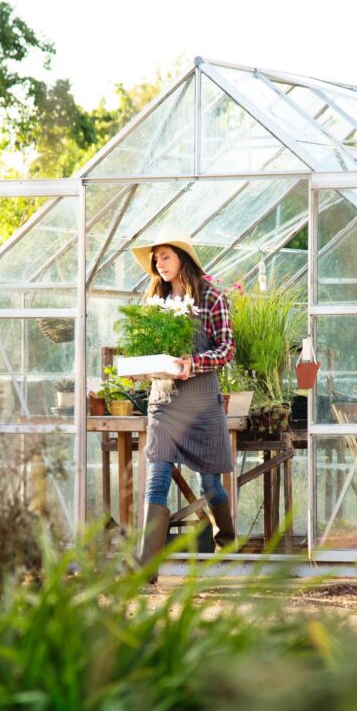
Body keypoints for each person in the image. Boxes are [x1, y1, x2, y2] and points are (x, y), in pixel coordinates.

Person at [128, 234, 237, 573]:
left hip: (202, 404)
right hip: (163, 402)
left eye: (164, 256)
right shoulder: (153, 302)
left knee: (209, 483)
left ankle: (226, 544)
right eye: (155, 259)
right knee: (156, 476)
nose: (158, 263)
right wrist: (139, 369)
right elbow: (144, 350)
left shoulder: (211, 297)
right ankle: (147, 567)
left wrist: (195, 363)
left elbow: (227, 349)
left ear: (182, 258)